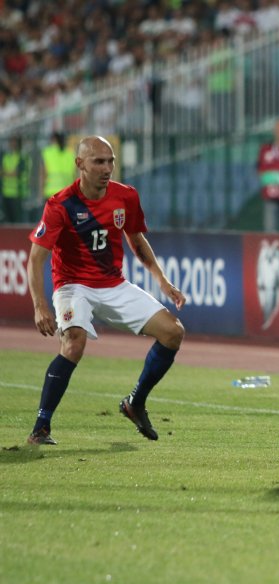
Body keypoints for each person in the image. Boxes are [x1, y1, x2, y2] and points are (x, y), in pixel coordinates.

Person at [25, 136, 186, 445]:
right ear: (80, 164)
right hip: (73, 286)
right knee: (74, 342)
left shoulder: (125, 196)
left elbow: (136, 241)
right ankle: (41, 428)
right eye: (99, 161)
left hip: (113, 284)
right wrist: (39, 304)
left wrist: (162, 280)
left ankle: (134, 402)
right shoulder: (60, 205)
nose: (107, 168)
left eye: (111, 161)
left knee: (173, 332)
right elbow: (35, 259)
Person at [38, 132, 76, 221]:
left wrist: (41, 193)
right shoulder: (71, 153)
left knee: (50, 222)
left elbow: (43, 174)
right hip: (67, 194)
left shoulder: (47, 153)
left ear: (54, 140)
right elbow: (75, 174)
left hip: (51, 193)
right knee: (65, 222)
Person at [2, 136, 31, 223]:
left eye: (14, 142)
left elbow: (17, 173)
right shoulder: (7, 157)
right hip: (7, 192)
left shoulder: (23, 157)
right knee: (8, 220)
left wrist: (6, 173)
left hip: (19, 193)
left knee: (18, 221)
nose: (12, 144)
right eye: (11, 142)